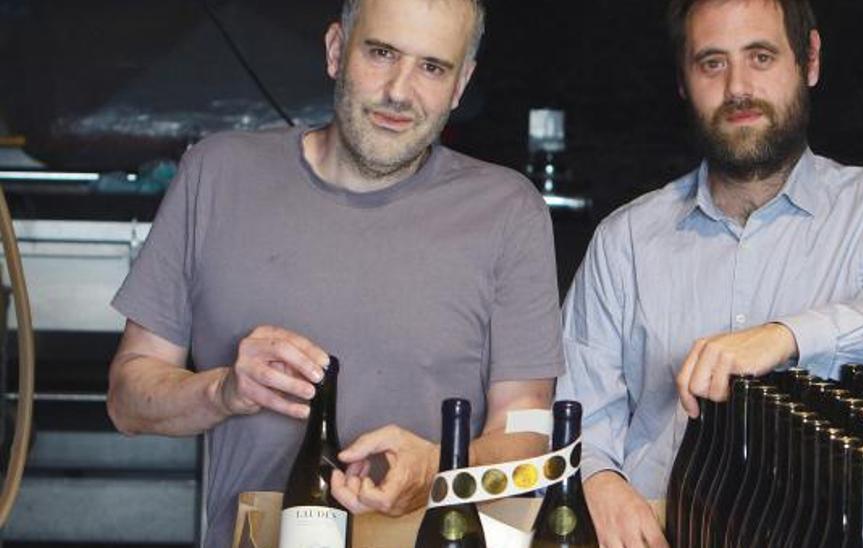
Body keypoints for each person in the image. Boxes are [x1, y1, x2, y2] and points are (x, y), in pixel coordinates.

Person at [104, 0, 564, 545]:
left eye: (432, 68)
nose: (399, 90)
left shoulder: (508, 210)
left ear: (460, 85)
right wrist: (223, 390)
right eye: (381, 52)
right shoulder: (217, 174)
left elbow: (530, 434)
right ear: (335, 51)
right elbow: (127, 399)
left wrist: (442, 471)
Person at [555, 0, 863, 545]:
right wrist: (601, 480)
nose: (737, 89)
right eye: (712, 63)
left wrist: (786, 337)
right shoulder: (624, 240)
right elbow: (575, 409)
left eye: (761, 56)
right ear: (683, 79)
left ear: (810, 60)